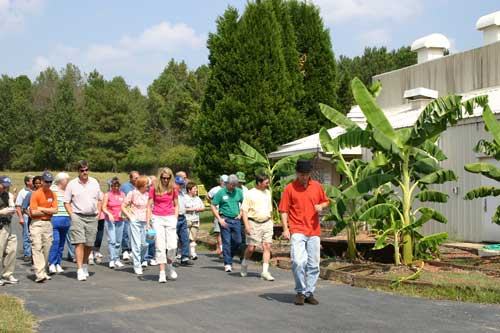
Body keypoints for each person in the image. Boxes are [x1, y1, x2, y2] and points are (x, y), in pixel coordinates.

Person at [279, 160, 329, 306]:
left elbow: (326, 201)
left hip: (314, 231)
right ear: (297, 173)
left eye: (306, 174)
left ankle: (309, 292)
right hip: (297, 229)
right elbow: (283, 210)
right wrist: (285, 229)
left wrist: (321, 205)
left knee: (314, 265)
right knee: (298, 262)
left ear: (310, 173)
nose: (304, 177)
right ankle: (300, 291)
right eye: (301, 174)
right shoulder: (290, 188)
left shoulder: (317, 186)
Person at [64, 160, 103, 281]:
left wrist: (98, 212)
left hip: (92, 216)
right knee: (79, 242)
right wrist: (72, 215)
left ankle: (85, 264)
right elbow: (66, 202)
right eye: (82, 170)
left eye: (86, 170)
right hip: (78, 216)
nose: (84, 172)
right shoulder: (72, 184)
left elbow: (100, 199)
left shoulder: (94, 182)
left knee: (89, 243)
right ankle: (80, 269)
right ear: (78, 171)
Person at [146, 167, 178, 283]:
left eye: (168, 178)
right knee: (160, 246)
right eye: (163, 178)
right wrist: (148, 221)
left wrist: (175, 217)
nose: (165, 180)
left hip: (170, 217)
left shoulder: (173, 188)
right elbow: (149, 205)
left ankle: (170, 265)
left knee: (172, 246)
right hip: (157, 217)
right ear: (160, 177)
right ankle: (162, 272)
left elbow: (176, 204)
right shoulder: (154, 188)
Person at [241, 173, 275, 281]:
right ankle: (244, 263)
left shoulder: (268, 193)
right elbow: (244, 211)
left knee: (267, 246)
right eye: (266, 183)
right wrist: (247, 226)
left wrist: (272, 220)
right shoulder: (250, 194)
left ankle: (265, 272)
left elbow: (270, 209)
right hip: (253, 223)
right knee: (251, 248)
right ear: (259, 183)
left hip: (267, 222)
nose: (268, 184)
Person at [210, 174, 244, 272]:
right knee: (226, 241)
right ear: (227, 183)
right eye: (232, 185)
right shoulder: (221, 192)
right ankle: (228, 263)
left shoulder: (239, 192)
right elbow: (213, 205)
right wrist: (219, 219)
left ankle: (229, 255)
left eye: (235, 185)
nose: (233, 187)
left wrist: (240, 213)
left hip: (236, 219)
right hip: (225, 219)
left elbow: (244, 203)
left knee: (238, 241)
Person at [29, 171, 58, 283]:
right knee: (37, 247)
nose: (48, 184)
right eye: (46, 182)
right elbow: (33, 213)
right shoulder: (36, 194)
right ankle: (40, 274)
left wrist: (41, 209)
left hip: (48, 223)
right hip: (36, 223)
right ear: (41, 181)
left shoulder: (53, 194)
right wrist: (48, 211)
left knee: (47, 247)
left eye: (50, 182)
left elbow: (55, 210)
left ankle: (44, 271)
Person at [122, 176, 149, 275]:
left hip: (145, 222)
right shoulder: (132, 193)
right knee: (136, 244)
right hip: (135, 221)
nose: (148, 186)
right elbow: (123, 206)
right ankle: (137, 265)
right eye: (146, 184)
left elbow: (150, 208)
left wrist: (150, 221)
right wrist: (130, 216)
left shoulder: (147, 195)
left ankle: (139, 258)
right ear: (142, 185)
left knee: (145, 244)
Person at [48, 172, 71, 274]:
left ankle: (58, 263)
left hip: (66, 219)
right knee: (55, 242)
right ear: (61, 180)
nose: (68, 181)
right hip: (55, 218)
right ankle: (51, 263)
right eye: (67, 179)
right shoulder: (52, 189)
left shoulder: (68, 191)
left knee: (62, 243)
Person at [102, 177, 126, 269]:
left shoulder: (122, 194)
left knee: (118, 241)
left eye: (117, 186)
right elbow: (103, 207)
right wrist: (109, 214)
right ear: (111, 186)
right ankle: (111, 259)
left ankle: (117, 259)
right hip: (110, 220)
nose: (116, 187)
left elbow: (125, 205)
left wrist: (123, 212)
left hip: (120, 220)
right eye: (114, 186)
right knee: (112, 240)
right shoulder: (107, 194)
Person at [0, 176, 19, 286]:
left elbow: (12, 205)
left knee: (12, 250)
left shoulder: (7, 194)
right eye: (3, 186)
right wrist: (2, 212)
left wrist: (12, 208)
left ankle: (7, 274)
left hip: (8, 225)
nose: (5, 188)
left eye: (7, 186)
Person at [120, 171, 139, 261]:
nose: (137, 179)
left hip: (137, 212)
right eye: (135, 178)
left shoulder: (140, 185)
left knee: (134, 232)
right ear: (130, 178)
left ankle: (132, 250)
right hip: (127, 212)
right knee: (126, 231)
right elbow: (121, 198)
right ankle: (125, 250)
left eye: (138, 177)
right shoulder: (125, 186)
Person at [207, 175, 228, 257]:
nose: (225, 183)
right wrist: (213, 204)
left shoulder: (229, 189)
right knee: (219, 232)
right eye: (224, 182)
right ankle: (221, 250)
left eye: (227, 182)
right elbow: (208, 196)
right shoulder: (215, 189)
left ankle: (225, 249)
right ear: (221, 181)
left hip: (227, 213)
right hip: (218, 213)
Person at [175, 175, 193, 266]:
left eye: (182, 184)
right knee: (173, 240)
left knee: (185, 238)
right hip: (174, 218)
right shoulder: (171, 193)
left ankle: (185, 257)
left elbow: (186, 205)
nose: (181, 186)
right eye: (179, 184)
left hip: (182, 217)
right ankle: (170, 258)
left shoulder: (182, 194)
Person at [184, 182, 204, 260]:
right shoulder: (184, 198)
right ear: (189, 190)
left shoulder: (197, 198)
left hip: (195, 220)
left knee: (193, 237)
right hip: (186, 220)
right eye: (194, 189)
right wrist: (191, 209)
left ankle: (193, 253)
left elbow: (203, 207)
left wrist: (199, 209)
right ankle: (180, 253)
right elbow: (181, 209)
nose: (196, 190)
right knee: (185, 237)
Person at [15, 175, 33, 262]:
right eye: (32, 180)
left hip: (35, 216)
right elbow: (18, 207)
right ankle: (27, 254)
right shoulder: (22, 192)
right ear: (27, 182)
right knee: (26, 235)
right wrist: (21, 218)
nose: (34, 182)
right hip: (26, 216)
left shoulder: (36, 191)